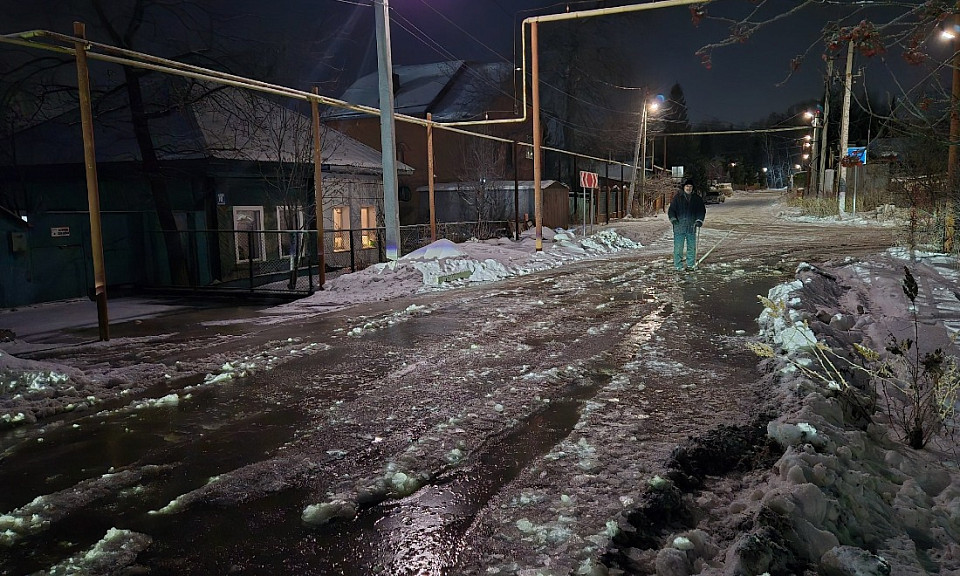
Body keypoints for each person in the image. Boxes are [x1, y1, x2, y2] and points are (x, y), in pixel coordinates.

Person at [667, 178, 706, 271]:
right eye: (687, 186)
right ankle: (678, 265)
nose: (689, 188)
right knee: (678, 248)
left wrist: (699, 220)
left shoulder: (697, 199)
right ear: (684, 187)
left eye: (690, 186)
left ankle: (690, 264)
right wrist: (673, 219)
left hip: (691, 227)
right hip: (679, 227)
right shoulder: (677, 198)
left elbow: (701, 211)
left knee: (691, 248)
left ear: (693, 188)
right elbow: (671, 210)